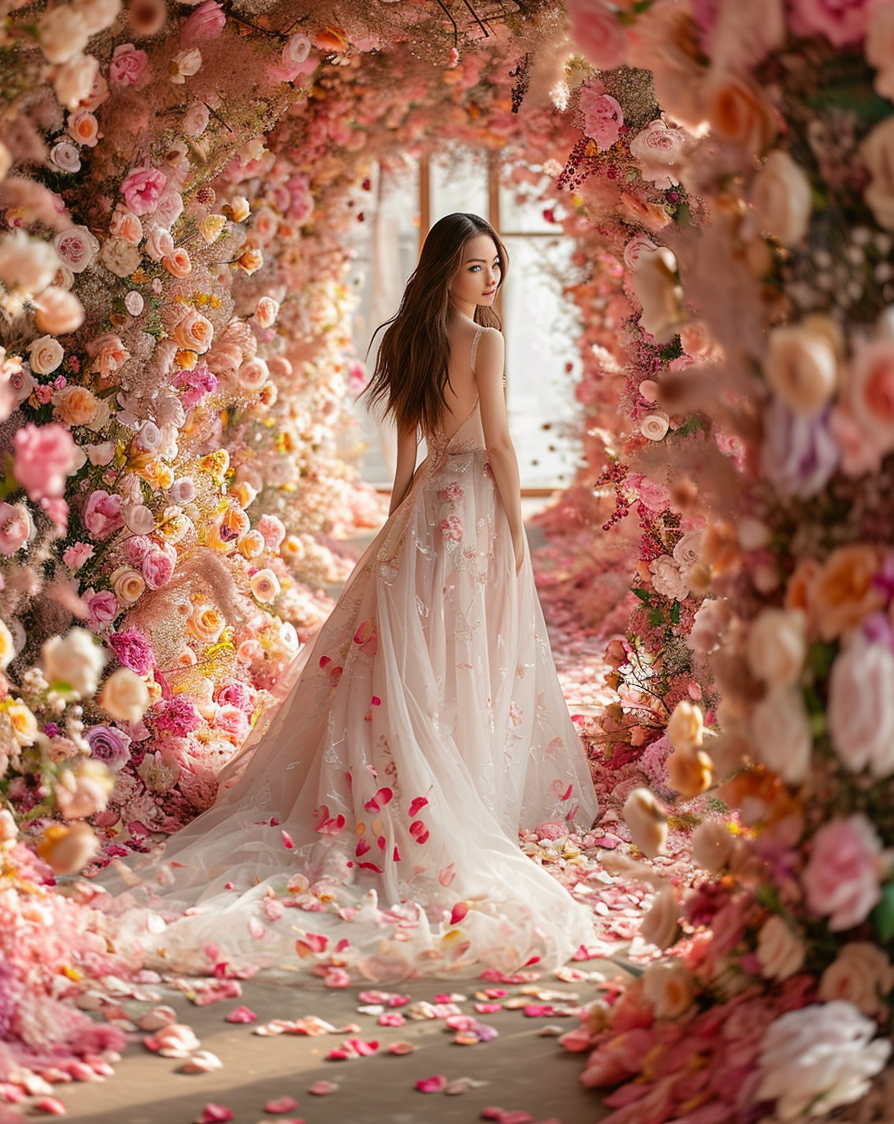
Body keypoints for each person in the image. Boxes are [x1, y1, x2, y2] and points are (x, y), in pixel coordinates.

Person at [103, 212, 598, 981]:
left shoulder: (406, 338)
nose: (491, 278)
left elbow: (408, 453)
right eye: (476, 267)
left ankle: (434, 778)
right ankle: (456, 786)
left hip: (428, 507)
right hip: (470, 510)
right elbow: (498, 444)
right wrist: (518, 533)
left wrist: (393, 530)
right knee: (465, 646)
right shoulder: (485, 342)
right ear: (445, 270)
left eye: (495, 264)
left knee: (414, 651)